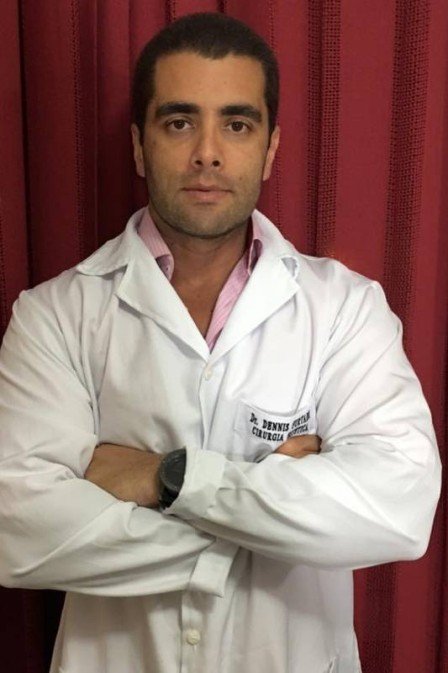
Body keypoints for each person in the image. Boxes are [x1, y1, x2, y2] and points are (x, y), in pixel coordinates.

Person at [0, 12, 441, 673]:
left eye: (236, 124)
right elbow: (17, 530)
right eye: (179, 122)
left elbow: (399, 509)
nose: (207, 152)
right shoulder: (54, 316)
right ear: (139, 146)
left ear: (270, 148)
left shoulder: (345, 310)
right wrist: (278, 513)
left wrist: (167, 478)